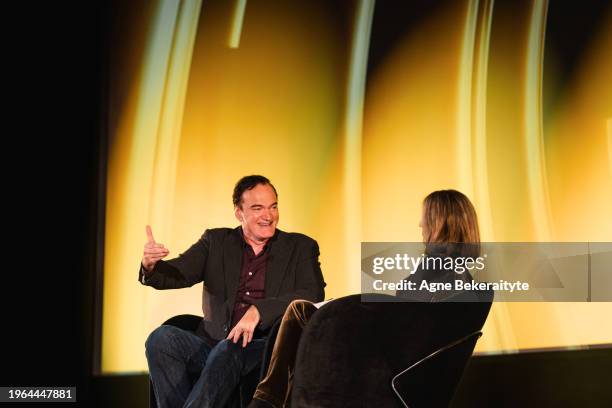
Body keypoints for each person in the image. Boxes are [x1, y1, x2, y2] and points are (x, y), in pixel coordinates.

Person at [248, 189, 481, 408]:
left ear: (440, 222)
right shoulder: (462, 278)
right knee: (299, 318)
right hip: (393, 355)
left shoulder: (436, 267)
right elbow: (408, 315)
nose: (420, 224)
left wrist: (352, 313)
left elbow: (404, 316)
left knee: (298, 311)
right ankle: (271, 398)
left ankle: (266, 400)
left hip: (381, 359)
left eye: (426, 218)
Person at [141, 175, 326, 408]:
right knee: (161, 339)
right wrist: (151, 265)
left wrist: (259, 310)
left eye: (273, 206)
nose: (268, 216)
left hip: (262, 349)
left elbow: (313, 292)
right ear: (239, 213)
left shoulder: (300, 246)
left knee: (230, 348)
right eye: (257, 208)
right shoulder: (216, 241)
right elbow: (180, 272)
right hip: (213, 343)